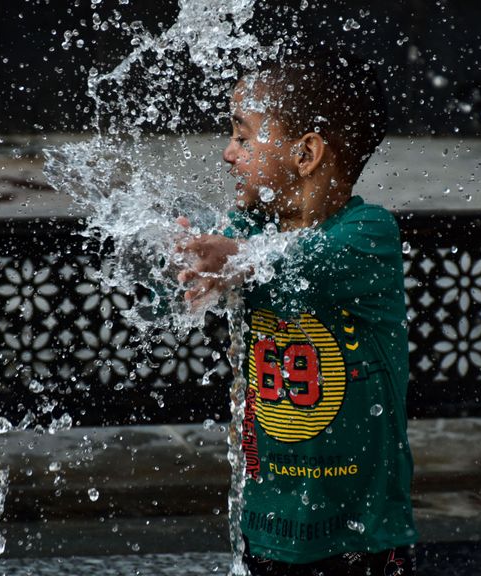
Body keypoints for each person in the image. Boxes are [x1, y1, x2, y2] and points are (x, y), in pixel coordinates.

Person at [176, 49, 418, 576]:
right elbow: (181, 287)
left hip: (363, 540)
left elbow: (305, 260)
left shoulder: (367, 236)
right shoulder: (250, 229)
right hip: (264, 526)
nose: (227, 154)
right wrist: (178, 265)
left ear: (305, 153)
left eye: (243, 136)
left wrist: (234, 259)